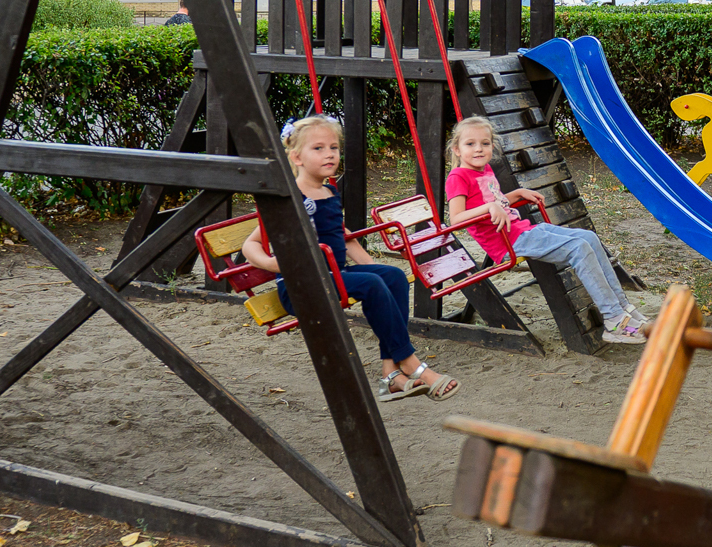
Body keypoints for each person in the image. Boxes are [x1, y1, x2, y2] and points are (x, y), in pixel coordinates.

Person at [241, 115, 459, 402]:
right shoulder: (290, 199)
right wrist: (272, 264)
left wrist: (373, 267)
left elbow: (343, 236)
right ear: (296, 157)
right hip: (302, 285)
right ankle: (411, 364)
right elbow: (251, 244)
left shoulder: (328, 191)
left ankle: (390, 374)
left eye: (334, 147)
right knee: (372, 284)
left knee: (392, 277)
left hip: (334, 275)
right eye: (318, 148)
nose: (329, 154)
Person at [444, 115, 649, 344]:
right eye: (470, 144)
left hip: (523, 231)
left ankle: (622, 307)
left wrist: (516, 194)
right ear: (457, 149)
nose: (479, 149)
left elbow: (494, 201)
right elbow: (456, 219)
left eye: (485, 143)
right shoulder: (458, 177)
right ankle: (613, 321)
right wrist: (490, 207)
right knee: (579, 248)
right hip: (508, 242)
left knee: (589, 237)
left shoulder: (485, 171)